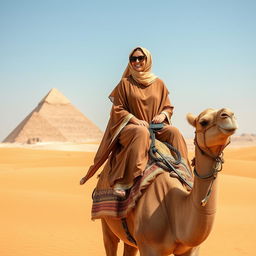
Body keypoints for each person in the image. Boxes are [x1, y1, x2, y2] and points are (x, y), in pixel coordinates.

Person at [80, 46, 191, 197]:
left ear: (148, 60)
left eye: (141, 58)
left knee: (174, 132)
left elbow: (168, 106)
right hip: (132, 128)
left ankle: (184, 172)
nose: (137, 61)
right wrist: (135, 120)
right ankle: (124, 181)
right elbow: (117, 109)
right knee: (141, 132)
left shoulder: (159, 83)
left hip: (155, 127)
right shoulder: (125, 83)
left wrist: (163, 115)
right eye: (133, 59)